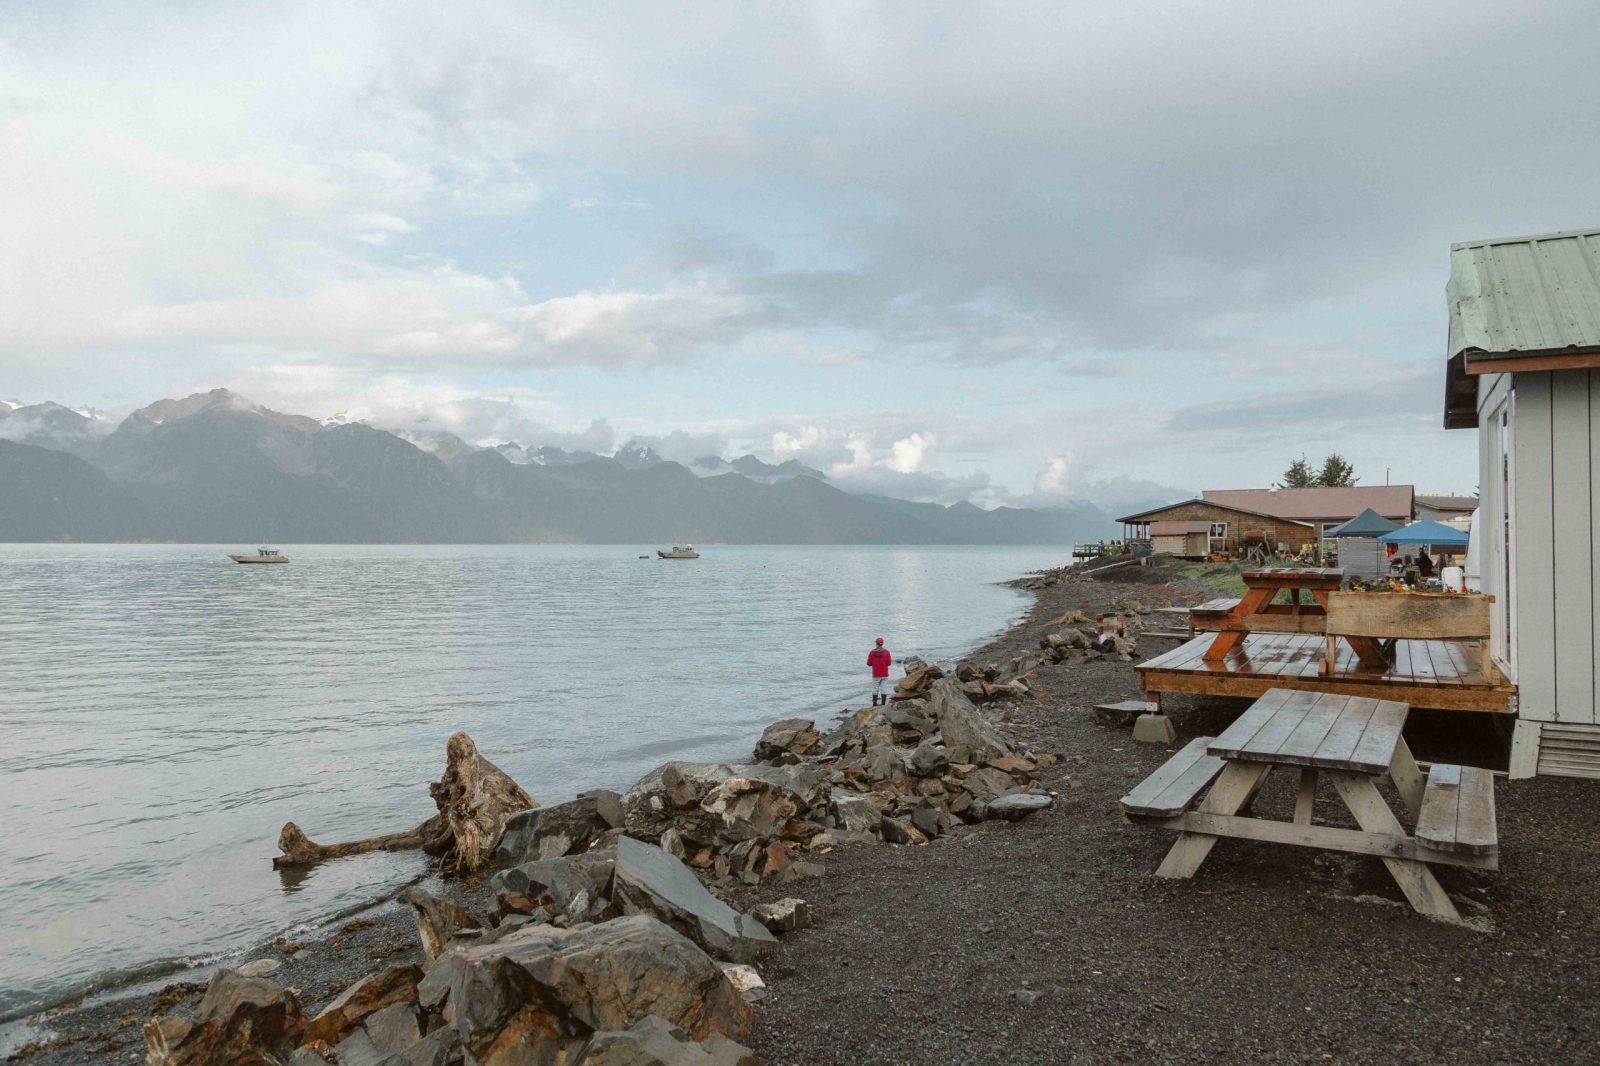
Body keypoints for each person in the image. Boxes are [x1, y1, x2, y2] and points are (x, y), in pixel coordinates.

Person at [867, 637, 893, 706]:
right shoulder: (886, 652)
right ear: (882, 644)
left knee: (875, 689)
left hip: (876, 674)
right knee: (884, 689)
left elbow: (869, 663)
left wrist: (874, 663)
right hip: (884, 674)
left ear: (876, 643)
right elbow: (889, 663)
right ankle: (883, 704)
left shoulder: (872, 652)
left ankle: (874, 704)